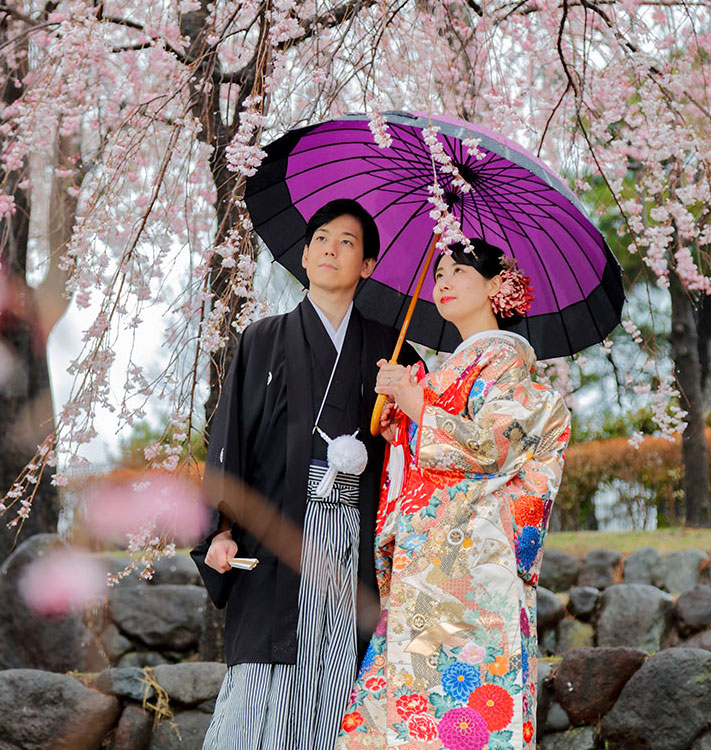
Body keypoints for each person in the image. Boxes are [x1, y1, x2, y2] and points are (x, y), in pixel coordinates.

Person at [191, 198, 419, 750]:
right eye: (320, 238)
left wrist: (399, 424)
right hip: (275, 537)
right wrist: (219, 532)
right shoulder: (262, 340)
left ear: (367, 265)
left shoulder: (393, 352)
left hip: (355, 542)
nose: (329, 250)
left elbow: (420, 447)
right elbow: (229, 444)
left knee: (341, 677)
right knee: (263, 675)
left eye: (346, 242)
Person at [337, 238, 571, 750]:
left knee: (463, 709)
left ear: (497, 286)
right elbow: (420, 458)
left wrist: (418, 407)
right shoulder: (449, 368)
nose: (442, 280)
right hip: (427, 559)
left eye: (459, 270)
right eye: (439, 271)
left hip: (474, 566)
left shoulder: (507, 363)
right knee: (405, 710)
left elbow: (492, 448)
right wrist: (398, 418)